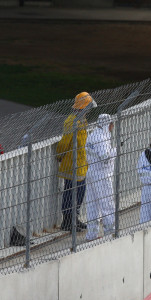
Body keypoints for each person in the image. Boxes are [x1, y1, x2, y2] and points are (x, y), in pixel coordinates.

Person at [56, 92, 96, 232]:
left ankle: (74, 218)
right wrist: (59, 155)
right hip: (71, 164)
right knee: (70, 193)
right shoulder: (71, 121)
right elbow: (65, 142)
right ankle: (67, 221)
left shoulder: (81, 121)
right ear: (83, 107)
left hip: (81, 164)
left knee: (80, 192)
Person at [84, 114, 116, 241]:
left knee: (92, 205)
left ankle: (91, 234)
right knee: (106, 203)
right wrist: (115, 150)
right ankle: (110, 231)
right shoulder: (102, 138)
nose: (112, 127)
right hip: (101, 174)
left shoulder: (92, 135)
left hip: (91, 171)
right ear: (107, 124)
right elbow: (105, 158)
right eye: (111, 124)